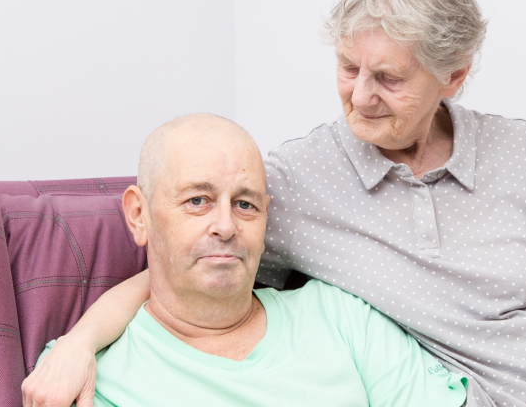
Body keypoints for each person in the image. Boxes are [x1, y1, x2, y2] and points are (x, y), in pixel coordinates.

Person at [25, 0, 526, 407]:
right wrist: (78, 343)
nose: (359, 96)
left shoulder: (517, 148)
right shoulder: (293, 182)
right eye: (348, 66)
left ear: (454, 78)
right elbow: (186, 262)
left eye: (389, 78)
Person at [24, 113, 468, 407]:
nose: (225, 226)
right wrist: (79, 343)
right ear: (139, 215)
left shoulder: (345, 319)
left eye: (245, 204)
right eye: (197, 201)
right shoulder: (84, 373)